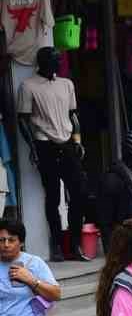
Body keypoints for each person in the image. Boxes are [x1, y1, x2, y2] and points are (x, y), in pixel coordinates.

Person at [19, 48, 90, 261]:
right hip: (45, 145)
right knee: (53, 197)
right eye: (55, 60)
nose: (59, 63)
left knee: (78, 193)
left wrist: (77, 140)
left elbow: (73, 115)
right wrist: (32, 147)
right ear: (43, 63)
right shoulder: (28, 86)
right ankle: (58, 245)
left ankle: (76, 244)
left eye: (59, 60)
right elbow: (23, 118)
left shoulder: (66, 84)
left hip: (68, 144)